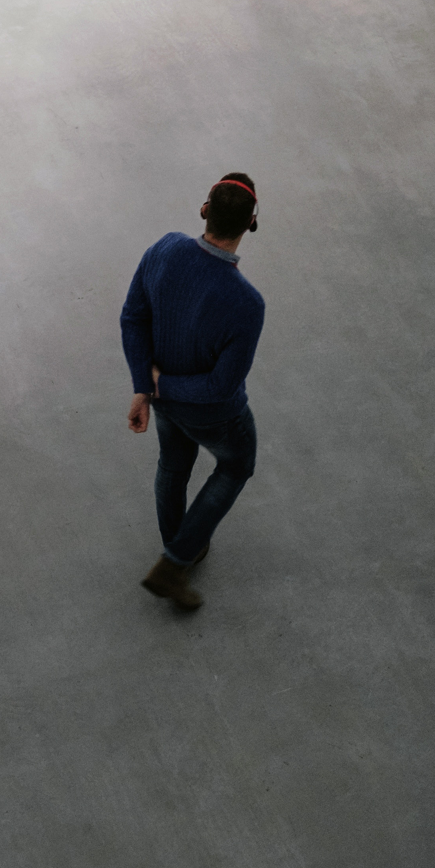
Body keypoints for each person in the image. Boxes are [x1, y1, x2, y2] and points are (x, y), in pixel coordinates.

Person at [121, 174, 265, 611]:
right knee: (236, 466)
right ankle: (175, 561)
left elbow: (133, 318)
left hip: (164, 402)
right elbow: (221, 386)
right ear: (251, 223)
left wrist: (146, 387)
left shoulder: (164, 248)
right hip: (213, 414)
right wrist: (158, 387)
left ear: (204, 210)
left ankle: (178, 544)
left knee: (173, 464)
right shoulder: (247, 303)